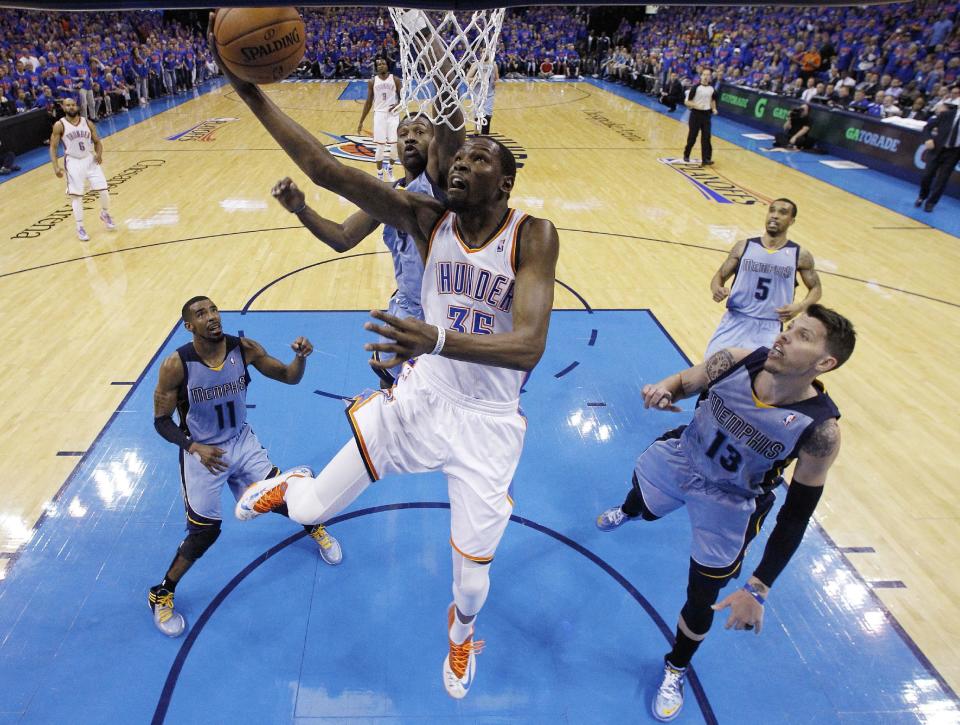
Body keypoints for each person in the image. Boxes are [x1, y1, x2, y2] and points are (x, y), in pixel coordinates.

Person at [209, 12, 560, 699]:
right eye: (456, 159)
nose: (461, 162)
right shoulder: (425, 219)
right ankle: (289, 482)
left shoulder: (532, 234)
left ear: (505, 184)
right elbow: (326, 170)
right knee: (309, 509)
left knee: (470, 582)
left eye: (477, 158)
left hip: (488, 424)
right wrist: (247, 90)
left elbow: (529, 347)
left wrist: (433, 338)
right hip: (423, 399)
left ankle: (460, 640)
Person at [596, 305, 855, 721]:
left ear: (826, 363)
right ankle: (630, 511)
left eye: (803, 336)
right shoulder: (735, 359)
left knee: (702, 596)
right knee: (641, 501)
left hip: (731, 503)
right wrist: (663, 389)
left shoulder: (819, 431)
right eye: (789, 328)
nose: (784, 336)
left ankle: (676, 666)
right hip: (682, 457)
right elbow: (683, 382)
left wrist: (758, 587)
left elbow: (795, 515)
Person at [149, 296, 343, 637]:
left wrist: (300, 358)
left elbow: (288, 377)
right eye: (201, 313)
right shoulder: (176, 365)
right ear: (189, 326)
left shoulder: (245, 349)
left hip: (241, 441)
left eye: (213, 309)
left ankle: (314, 527)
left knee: (285, 497)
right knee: (204, 533)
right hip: (202, 452)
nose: (211, 317)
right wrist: (193, 446)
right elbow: (161, 421)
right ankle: (161, 593)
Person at [271, 109, 463, 386]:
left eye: (420, 132)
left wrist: (442, 72)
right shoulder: (391, 195)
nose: (410, 138)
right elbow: (342, 237)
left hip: (443, 313)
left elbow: (449, 131)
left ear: (434, 142)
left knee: (439, 401)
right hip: (407, 309)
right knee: (391, 391)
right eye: (403, 133)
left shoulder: (438, 183)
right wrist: (300, 208)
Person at [706, 198, 821, 357]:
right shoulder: (743, 246)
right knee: (710, 368)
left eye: (782, 212)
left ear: (792, 221)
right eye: (772, 210)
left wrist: (800, 307)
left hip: (769, 326)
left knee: (756, 377)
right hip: (735, 319)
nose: (774, 215)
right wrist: (717, 289)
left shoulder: (800, 255)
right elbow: (719, 276)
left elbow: (816, 289)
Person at [48, 97, 115, 241]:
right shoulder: (59, 125)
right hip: (73, 162)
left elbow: (97, 142)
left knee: (104, 191)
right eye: (68, 105)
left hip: (89, 159)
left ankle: (104, 213)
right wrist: (56, 167)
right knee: (77, 196)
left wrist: (99, 154)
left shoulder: (87, 122)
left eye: (73, 105)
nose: (71, 107)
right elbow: (53, 147)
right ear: (63, 107)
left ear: (77, 106)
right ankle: (80, 227)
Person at [357, 58, 402, 181]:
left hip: (393, 115)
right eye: (378, 65)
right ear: (376, 68)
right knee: (380, 147)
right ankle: (380, 174)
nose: (381, 66)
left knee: (394, 147)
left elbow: (404, 98)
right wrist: (361, 121)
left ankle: (390, 168)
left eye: (383, 63)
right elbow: (368, 102)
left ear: (387, 65)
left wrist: (398, 105)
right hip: (379, 115)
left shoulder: (396, 80)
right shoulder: (372, 82)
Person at [915, 96, 960, 212]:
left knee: (942, 179)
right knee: (927, 176)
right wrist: (928, 139)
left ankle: (931, 203)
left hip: (954, 152)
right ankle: (922, 196)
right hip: (938, 149)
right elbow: (927, 128)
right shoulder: (946, 115)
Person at [682, 68, 717, 165]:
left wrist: (714, 109)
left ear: (710, 77)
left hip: (706, 115)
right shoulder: (695, 88)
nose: (706, 77)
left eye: (708, 75)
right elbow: (687, 101)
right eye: (704, 75)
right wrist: (696, 105)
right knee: (692, 136)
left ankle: (706, 159)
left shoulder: (712, 89)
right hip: (695, 114)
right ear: (701, 76)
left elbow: (713, 100)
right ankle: (686, 154)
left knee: (706, 137)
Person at [467, 59, 498, 134]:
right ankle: (476, 133)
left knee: (487, 116)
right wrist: (478, 79)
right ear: (481, 53)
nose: (485, 52)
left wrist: (495, 82)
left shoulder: (493, 65)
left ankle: (485, 136)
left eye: (487, 51)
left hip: (489, 94)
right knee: (477, 117)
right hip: (477, 94)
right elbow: (467, 79)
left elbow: (497, 78)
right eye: (483, 51)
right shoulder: (475, 64)